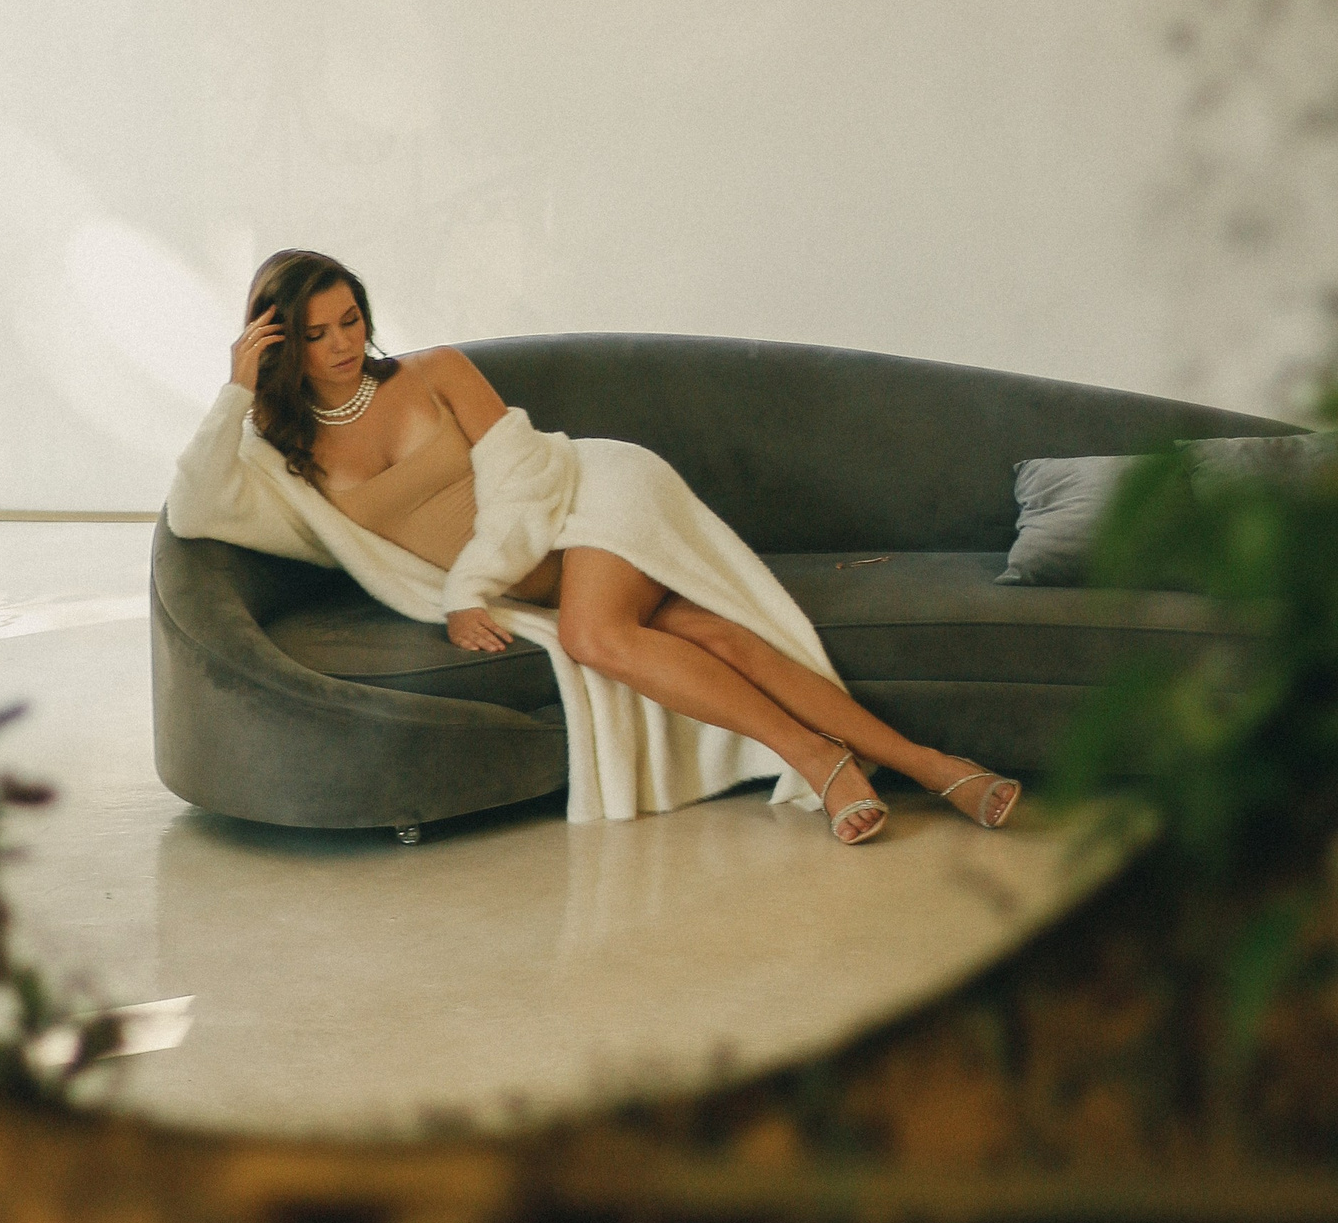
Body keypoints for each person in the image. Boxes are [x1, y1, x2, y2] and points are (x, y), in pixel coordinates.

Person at [167, 248, 1020, 843]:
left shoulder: (434, 372)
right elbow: (195, 510)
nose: (343, 344)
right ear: (277, 341)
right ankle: (938, 767)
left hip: (593, 494)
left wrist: (470, 588)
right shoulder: (283, 454)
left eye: (351, 320)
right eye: (315, 334)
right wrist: (236, 390)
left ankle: (820, 762)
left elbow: (520, 481)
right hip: (546, 572)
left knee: (594, 636)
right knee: (720, 640)